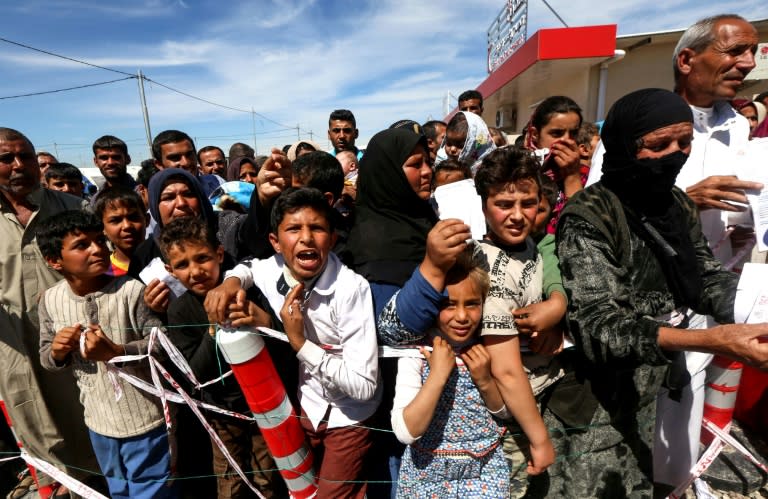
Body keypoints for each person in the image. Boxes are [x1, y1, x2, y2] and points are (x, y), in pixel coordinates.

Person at [556, 87, 768, 498]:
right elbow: (601, 329)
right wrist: (710, 339)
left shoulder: (674, 204)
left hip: (659, 390)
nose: (676, 153)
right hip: (599, 402)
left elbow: (703, 278)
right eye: (659, 145)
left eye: (684, 142)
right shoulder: (591, 215)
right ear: (624, 145)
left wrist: (757, 303)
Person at [212, 187, 380, 499]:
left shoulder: (351, 290)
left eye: (317, 228)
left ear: (331, 238)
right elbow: (248, 268)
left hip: (348, 415)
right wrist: (230, 282)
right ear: (275, 243)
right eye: (293, 229)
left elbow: (365, 386)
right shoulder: (274, 267)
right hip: (307, 408)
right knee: (300, 488)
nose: (306, 237)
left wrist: (300, 343)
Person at [36, 210, 175, 498]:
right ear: (54, 261)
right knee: (118, 490)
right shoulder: (50, 300)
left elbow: (162, 346)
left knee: (151, 491)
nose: (98, 249)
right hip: (98, 422)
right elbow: (46, 357)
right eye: (81, 245)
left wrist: (117, 351)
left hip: (145, 420)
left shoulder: (131, 291)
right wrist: (57, 352)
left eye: (99, 240)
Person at [0, 128, 98, 495]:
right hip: (11, 345)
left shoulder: (69, 207)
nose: (18, 166)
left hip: (70, 336)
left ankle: (91, 479)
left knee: (82, 409)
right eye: (6, 158)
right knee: (31, 413)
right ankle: (51, 481)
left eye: (24, 156)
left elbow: (101, 267)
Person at [159, 217, 284, 499]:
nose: (195, 271)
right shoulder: (180, 311)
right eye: (182, 265)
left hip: (263, 406)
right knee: (229, 481)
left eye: (202, 258)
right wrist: (213, 329)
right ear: (170, 271)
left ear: (219, 253)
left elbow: (279, 346)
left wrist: (260, 321)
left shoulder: (246, 291)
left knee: (267, 479)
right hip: (220, 413)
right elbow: (195, 373)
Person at [383, 247, 511, 497]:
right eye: (449, 305)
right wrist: (438, 375)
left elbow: (506, 412)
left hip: (483, 474)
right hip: (427, 478)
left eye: (472, 304)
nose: (462, 316)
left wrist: (484, 380)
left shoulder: (490, 346)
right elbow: (405, 431)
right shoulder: (417, 354)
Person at [472, 147, 557, 486]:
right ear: (484, 206)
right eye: (504, 205)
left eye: (528, 203)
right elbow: (506, 370)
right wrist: (539, 438)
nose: (518, 215)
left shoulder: (528, 246)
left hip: (538, 395)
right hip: (513, 416)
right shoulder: (490, 268)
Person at [525, 96, 584, 234]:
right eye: (557, 133)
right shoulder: (516, 170)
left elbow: (581, 225)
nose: (567, 140)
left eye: (573, 133)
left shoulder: (586, 174)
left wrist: (572, 177)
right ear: (535, 134)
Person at [93, 187, 147, 277]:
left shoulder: (166, 259)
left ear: (147, 220)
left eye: (133, 217)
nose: (127, 226)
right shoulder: (102, 274)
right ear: (102, 228)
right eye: (115, 220)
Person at [153, 130, 223, 197]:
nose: (186, 163)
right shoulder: (158, 202)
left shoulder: (217, 182)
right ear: (159, 165)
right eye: (175, 158)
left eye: (189, 154)